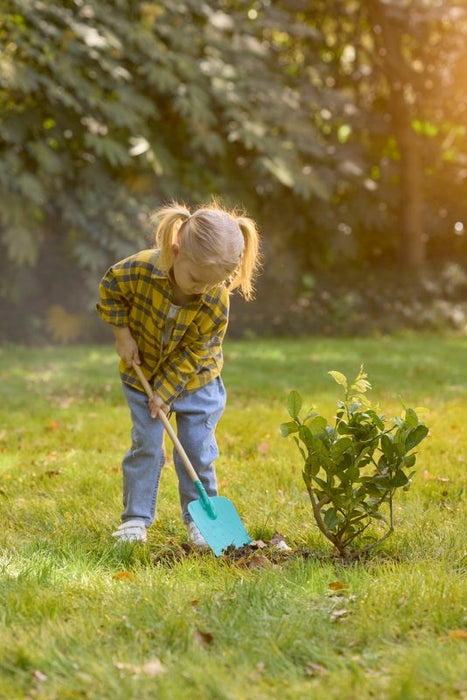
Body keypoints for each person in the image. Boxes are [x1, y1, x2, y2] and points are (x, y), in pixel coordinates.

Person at [96, 202, 260, 546]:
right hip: (143, 372)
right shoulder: (139, 269)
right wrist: (121, 334)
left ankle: (200, 519)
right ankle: (135, 520)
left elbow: (195, 353)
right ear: (175, 251)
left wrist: (167, 392)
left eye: (215, 283)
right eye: (197, 279)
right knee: (147, 445)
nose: (202, 288)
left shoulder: (215, 299)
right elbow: (110, 289)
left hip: (197, 383)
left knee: (197, 449)